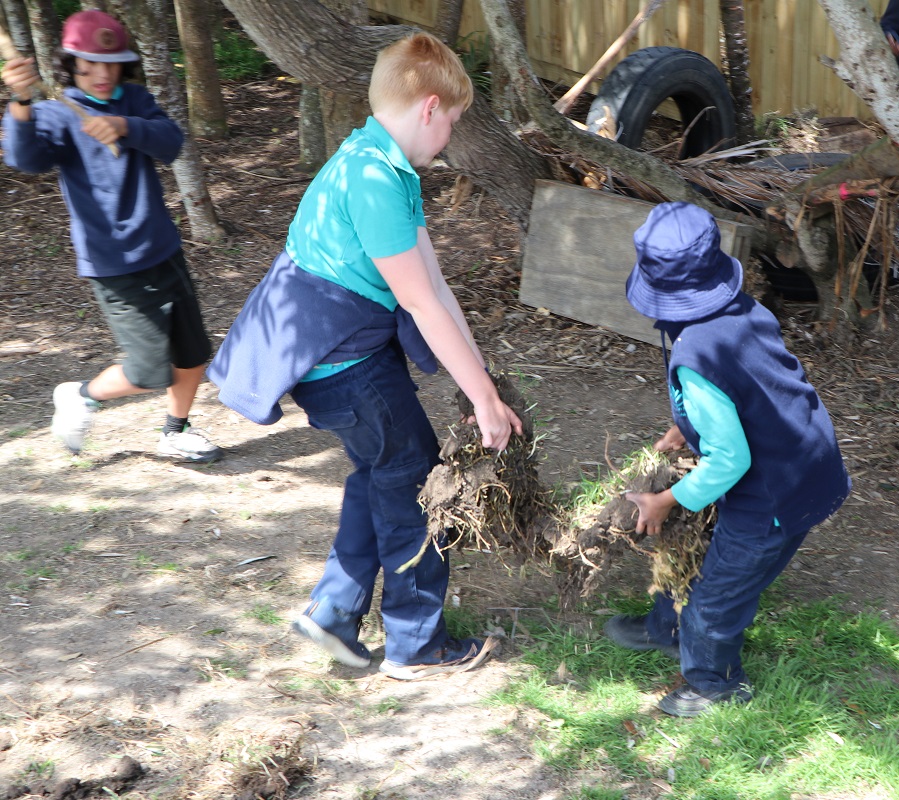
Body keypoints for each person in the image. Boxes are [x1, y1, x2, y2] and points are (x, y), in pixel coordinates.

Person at [207, 32, 522, 680]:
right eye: (453, 123)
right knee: (413, 485)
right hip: (345, 371)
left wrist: (480, 381)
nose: (451, 139)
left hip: (338, 362)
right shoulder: (376, 181)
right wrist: (485, 402)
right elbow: (423, 306)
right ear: (430, 107)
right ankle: (416, 644)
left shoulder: (375, 158)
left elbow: (434, 285)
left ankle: (332, 614)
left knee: (379, 474)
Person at [604, 202, 851, 717]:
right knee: (691, 558)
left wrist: (665, 501)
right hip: (807, 460)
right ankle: (664, 627)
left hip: (773, 494)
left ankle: (715, 686)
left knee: (716, 598)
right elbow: (749, 386)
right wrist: (687, 424)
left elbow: (729, 461)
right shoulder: (745, 309)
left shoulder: (695, 354)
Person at [1, 10, 221, 463]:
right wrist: (20, 103)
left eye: (111, 63)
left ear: (124, 65)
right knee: (146, 369)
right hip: (113, 261)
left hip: (162, 247)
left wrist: (125, 126)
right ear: (70, 64)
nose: (101, 74)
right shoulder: (56, 114)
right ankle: (80, 395)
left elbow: (170, 142)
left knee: (193, 354)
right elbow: (25, 160)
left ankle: (175, 430)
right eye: (89, 64)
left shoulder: (134, 101)